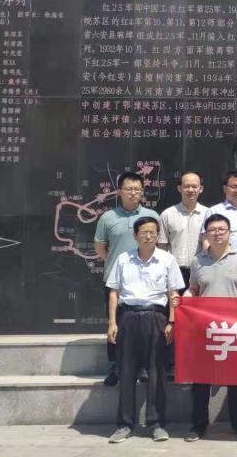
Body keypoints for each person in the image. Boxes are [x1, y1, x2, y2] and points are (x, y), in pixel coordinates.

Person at [105, 216, 184, 443]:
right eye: (144, 233)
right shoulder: (123, 259)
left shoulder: (167, 259)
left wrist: (171, 322)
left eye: (153, 232)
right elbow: (114, 292)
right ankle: (125, 424)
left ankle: (156, 424)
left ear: (158, 235)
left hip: (156, 317)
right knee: (126, 371)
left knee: (157, 373)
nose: (149, 237)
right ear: (135, 236)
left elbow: (173, 293)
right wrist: (112, 323)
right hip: (128, 317)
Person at [183, 214, 237, 442]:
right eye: (212, 230)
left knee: (236, 380)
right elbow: (194, 288)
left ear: (229, 232)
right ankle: (198, 425)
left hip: (234, 329)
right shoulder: (198, 260)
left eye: (221, 229)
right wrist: (184, 299)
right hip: (205, 329)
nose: (217, 233)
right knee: (201, 380)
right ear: (206, 234)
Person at [94, 171, 160, 386]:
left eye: (137, 189)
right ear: (119, 192)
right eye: (128, 189)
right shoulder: (108, 218)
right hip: (115, 282)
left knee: (142, 326)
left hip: (144, 281)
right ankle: (115, 366)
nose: (133, 193)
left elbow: (158, 245)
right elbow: (100, 247)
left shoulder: (151, 216)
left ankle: (141, 367)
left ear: (142, 192)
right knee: (115, 323)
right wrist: (118, 265)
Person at [157, 171, 206, 288]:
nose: (191, 190)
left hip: (201, 270)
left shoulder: (208, 214)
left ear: (201, 189)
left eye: (194, 186)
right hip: (174, 271)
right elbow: (162, 246)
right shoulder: (167, 214)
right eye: (186, 186)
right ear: (179, 188)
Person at [202, 171, 237, 259]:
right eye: (234, 187)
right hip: (221, 262)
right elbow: (206, 239)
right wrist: (209, 261)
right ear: (225, 188)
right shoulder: (214, 211)